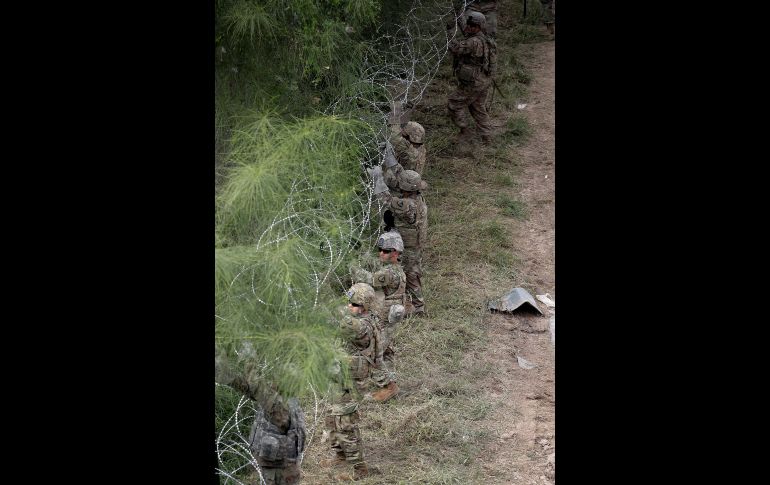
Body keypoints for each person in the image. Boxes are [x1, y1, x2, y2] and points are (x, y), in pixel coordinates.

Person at [215, 348, 305, 485]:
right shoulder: (281, 397)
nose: (273, 380)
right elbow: (250, 389)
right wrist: (226, 375)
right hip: (278, 464)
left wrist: (249, 355)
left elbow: (256, 386)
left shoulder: (280, 405)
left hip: (280, 470)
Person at [325, 283, 383, 480]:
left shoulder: (362, 326)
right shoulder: (364, 318)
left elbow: (346, 324)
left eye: (354, 303)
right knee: (332, 418)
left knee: (345, 423)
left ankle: (359, 468)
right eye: (349, 303)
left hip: (350, 382)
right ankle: (340, 455)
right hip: (340, 378)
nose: (350, 307)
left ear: (365, 306)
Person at [369, 151, 428, 315]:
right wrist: (389, 158)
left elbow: (385, 198)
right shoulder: (418, 198)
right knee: (412, 272)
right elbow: (401, 174)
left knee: (410, 274)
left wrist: (377, 178)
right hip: (413, 243)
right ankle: (412, 302)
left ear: (407, 188)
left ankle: (417, 306)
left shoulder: (407, 204)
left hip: (408, 246)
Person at [350, 230, 407, 401]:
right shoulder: (393, 269)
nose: (381, 253)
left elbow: (370, 279)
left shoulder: (390, 273)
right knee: (385, 350)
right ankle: (389, 379)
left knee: (373, 352)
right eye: (380, 249)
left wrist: (351, 265)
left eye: (386, 251)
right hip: (388, 317)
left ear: (396, 253)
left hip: (385, 318)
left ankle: (389, 387)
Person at [447, 10, 497, 143]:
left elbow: (455, 48)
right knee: (478, 107)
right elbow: (466, 30)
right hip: (484, 79)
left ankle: (465, 131)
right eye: (468, 24)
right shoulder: (485, 37)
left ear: (478, 27)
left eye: (472, 25)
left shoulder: (473, 42)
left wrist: (450, 31)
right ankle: (487, 136)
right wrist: (459, 17)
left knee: (454, 103)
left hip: (473, 82)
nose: (468, 27)